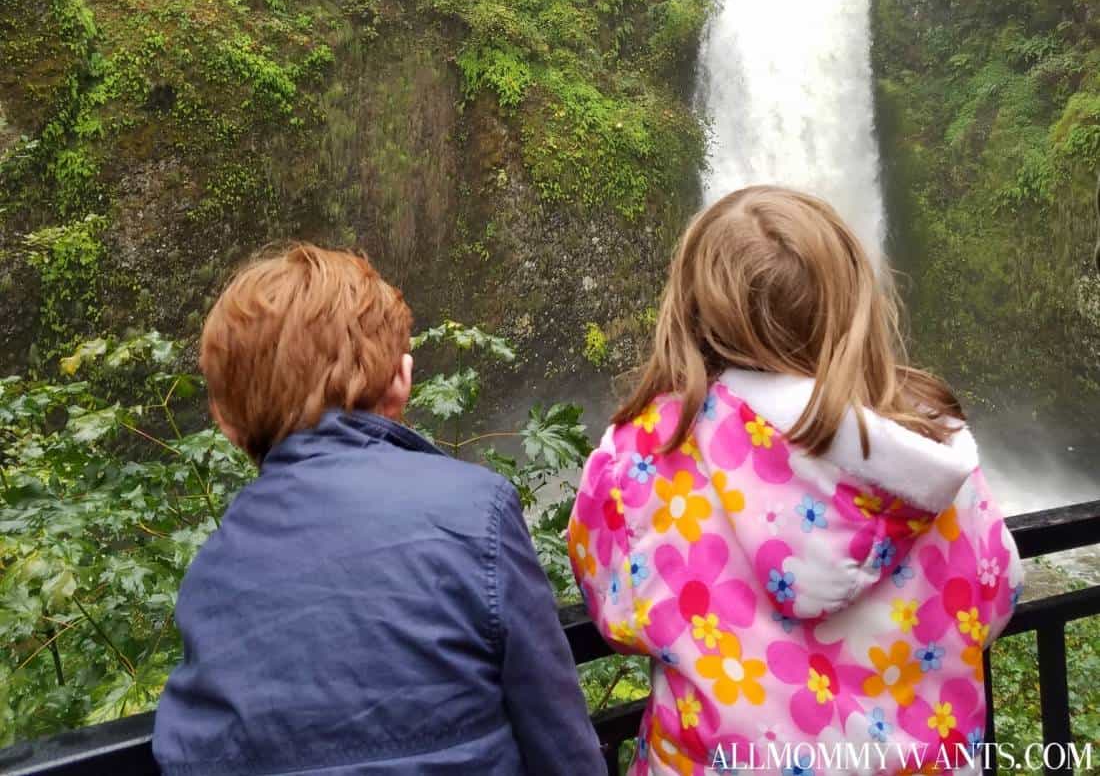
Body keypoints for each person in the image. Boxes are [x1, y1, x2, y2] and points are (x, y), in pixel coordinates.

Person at [569, 187, 1022, 776]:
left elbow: (611, 604)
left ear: (692, 308)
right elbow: (996, 597)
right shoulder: (930, 454)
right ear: (854, 302)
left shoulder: (648, 458)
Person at [154, 243, 605, 776]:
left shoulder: (210, 570)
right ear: (400, 379)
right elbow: (564, 749)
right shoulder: (478, 510)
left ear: (226, 423)